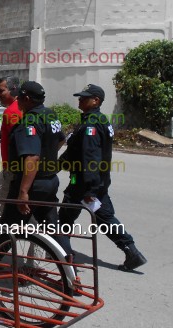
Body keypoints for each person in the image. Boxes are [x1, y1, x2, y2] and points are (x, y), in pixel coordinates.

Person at [58, 84, 147, 271]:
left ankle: (66, 264)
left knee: (64, 221)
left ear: (96, 100)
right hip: (97, 182)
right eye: (80, 97)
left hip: (83, 183)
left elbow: (91, 158)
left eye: (84, 98)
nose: (80, 100)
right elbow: (75, 150)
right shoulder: (98, 120)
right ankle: (131, 251)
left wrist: (89, 190)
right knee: (105, 217)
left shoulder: (91, 124)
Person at [0, 81, 65, 231]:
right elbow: (61, 139)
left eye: (20, 97)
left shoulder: (30, 121)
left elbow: (32, 158)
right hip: (50, 181)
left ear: (27, 99)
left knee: (6, 232)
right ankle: (66, 254)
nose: (17, 101)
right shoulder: (50, 114)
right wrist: (46, 156)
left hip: (32, 185)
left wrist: (23, 192)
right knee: (52, 230)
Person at [0, 76, 22, 237]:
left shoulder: (12, 112)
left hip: (12, 171)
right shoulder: (30, 109)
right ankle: (35, 260)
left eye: (2, 91)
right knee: (34, 216)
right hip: (29, 170)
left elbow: (21, 143)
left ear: (13, 89)